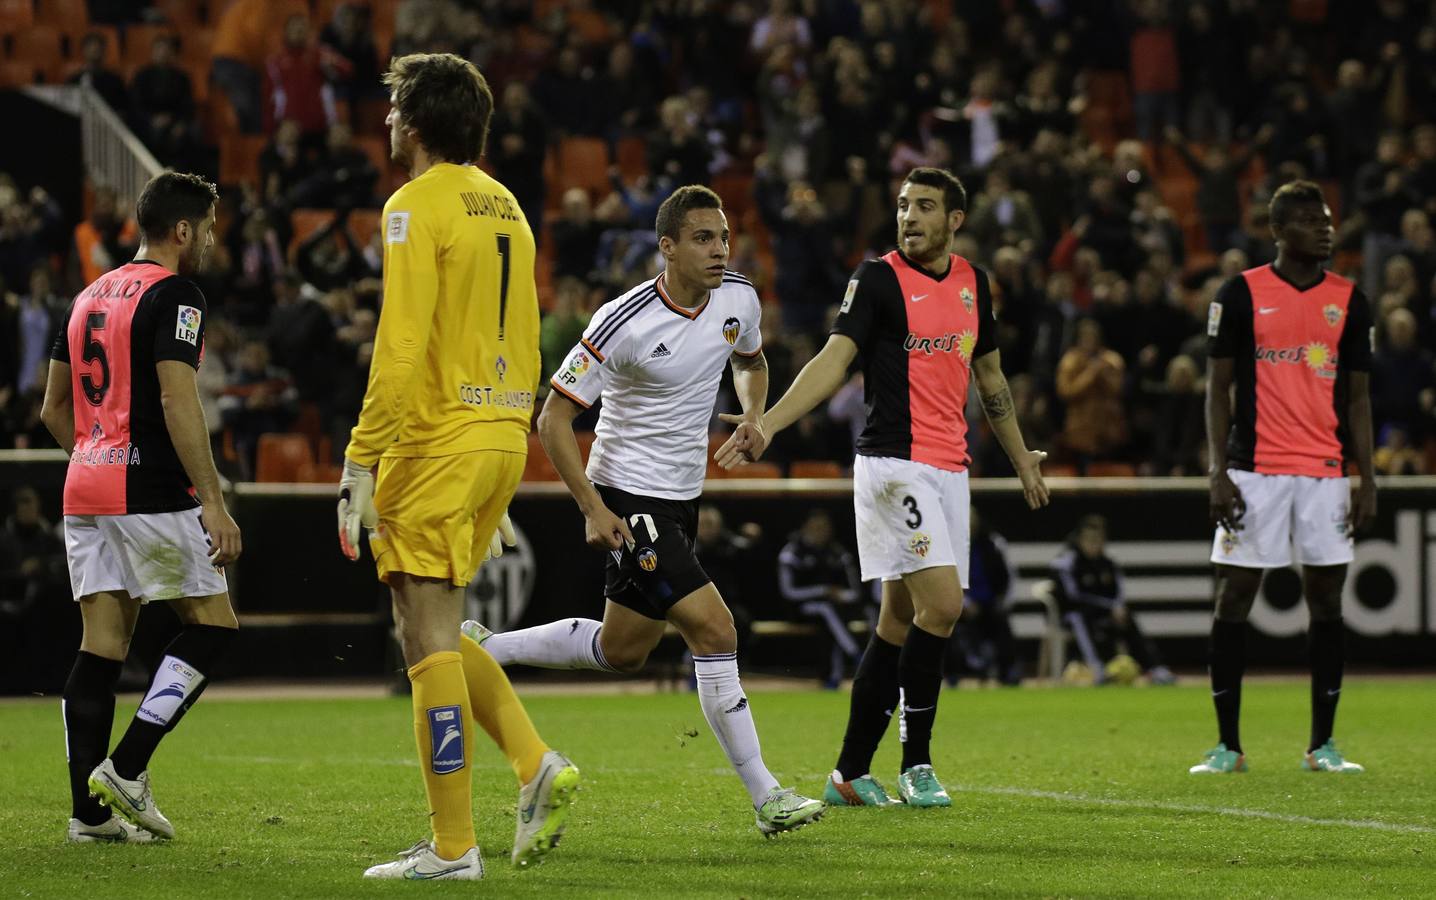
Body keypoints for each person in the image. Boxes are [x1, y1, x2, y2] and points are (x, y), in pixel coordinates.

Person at [465, 185, 826, 836]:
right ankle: (767, 796)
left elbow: (752, 359)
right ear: (667, 248)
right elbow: (553, 419)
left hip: (683, 499)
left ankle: (488, 648)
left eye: (723, 237)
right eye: (702, 239)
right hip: (630, 496)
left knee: (623, 649)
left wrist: (752, 413)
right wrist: (592, 507)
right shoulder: (621, 319)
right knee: (715, 632)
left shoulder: (738, 298)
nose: (720, 250)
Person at [716, 167, 1050, 808]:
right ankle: (917, 763)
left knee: (899, 621)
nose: (909, 216)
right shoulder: (876, 279)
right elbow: (833, 360)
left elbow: (991, 379)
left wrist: (1021, 460)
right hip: (894, 466)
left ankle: (847, 772)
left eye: (925, 206)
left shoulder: (975, 284)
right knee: (945, 607)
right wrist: (769, 423)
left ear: (955, 219)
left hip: (951, 468)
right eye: (902, 205)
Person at [335, 53, 578, 880]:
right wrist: (500, 439)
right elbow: (524, 329)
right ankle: (534, 763)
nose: (387, 120)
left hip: (437, 438)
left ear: (417, 121)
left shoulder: (413, 204)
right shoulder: (507, 206)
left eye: (395, 105)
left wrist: (362, 458)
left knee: (425, 636)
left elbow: (400, 346)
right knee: (438, 627)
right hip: (500, 433)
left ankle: (451, 847)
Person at [38, 171, 241, 843]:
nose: (211, 240)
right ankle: (126, 767)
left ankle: (87, 815)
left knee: (100, 648)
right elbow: (178, 399)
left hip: (85, 488)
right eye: (208, 228)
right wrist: (211, 500)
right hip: (145, 487)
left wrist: (94, 454)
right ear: (182, 230)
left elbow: (51, 409)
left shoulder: (87, 295)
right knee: (213, 626)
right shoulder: (176, 293)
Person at [1197, 179, 1376, 776]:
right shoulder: (1241, 293)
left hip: (1325, 472)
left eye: (1327, 219)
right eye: (1308, 220)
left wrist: (1367, 478)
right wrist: (1218, 470)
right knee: (1235, 598)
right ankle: (1228, 747)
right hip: (1254, 472)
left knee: (1327, 601)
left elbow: (1357, 400)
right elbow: (1218, 389)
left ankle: (1322, 746)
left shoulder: (1349, 299)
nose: (1325, 229)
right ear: (1277, 231)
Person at [1050, 515, 1174, 686]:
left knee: (1127, 617)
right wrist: (1109, 607)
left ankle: (1155, 668)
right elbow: (1073, 597)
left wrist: (1117, 608)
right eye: (1091, 540)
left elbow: (1118, 592)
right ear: (1080, 540)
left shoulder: (1108, 563)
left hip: (1104, 613)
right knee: (1080, 618)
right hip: (1074, 614)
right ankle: (1098, 670)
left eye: (1099, 540)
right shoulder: (1066, 563)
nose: (1095, 544)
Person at [776, 508, 866, 689]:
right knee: (827, 610)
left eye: (824, 528)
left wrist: (840, 595)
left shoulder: (839, 554)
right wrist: (823, 591)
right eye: (815, 528)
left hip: (834, 610)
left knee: (831, 619)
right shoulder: (792, 553)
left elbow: (855, 591)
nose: (820, 532)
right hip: (799, 609)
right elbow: (788, 592)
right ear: (804, 528)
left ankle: (833, 678)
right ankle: (858, 656)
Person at [948, 509, 1020, 687]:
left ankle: (1008, 671)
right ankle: (951, 673)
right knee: (942, 622)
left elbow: (1006, 577)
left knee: (1000, 620)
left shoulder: (992, 544)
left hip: (988, 603)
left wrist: (1000, 602)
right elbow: (945, 579)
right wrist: (965, 602)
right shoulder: (947, 545)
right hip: (955, 603)